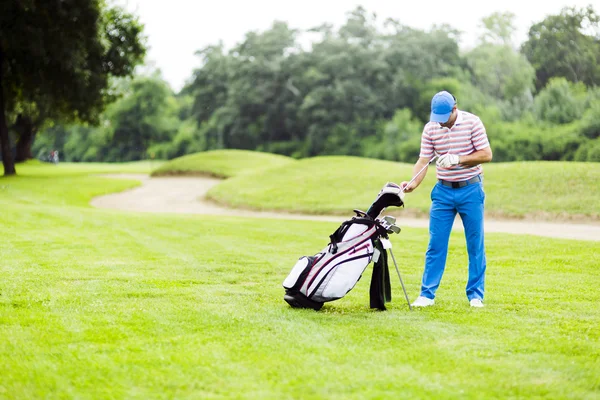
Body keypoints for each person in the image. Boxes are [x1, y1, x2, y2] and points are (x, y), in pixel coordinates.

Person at [401, 91, 493, 308]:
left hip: (470, 189)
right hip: (443, 192)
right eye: (437, 119)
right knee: (436, 243)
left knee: (475, 243)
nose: (440, 124)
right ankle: (427, 295)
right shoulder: (431, 127)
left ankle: (475, 296)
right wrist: (413, 183)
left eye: (444, 118)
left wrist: (458, 159)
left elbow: (486, 154)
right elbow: (424, 159)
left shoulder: (472, 122)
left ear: (454, 109)